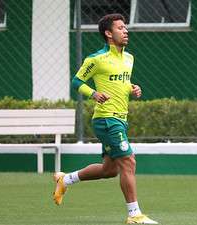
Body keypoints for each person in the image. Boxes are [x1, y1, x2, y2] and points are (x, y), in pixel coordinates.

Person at [52, 13, 158, 224]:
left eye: (125, 27)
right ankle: (134, 215)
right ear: (109, 34)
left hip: (121, 119)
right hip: (106, 119)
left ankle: (66, 179)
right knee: (128, 161)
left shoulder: (129, 58)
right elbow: (76, 81)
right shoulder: (96, 59)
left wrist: (132, 88)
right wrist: (93, 94)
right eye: (120, 28)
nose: (125, 31)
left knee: (110, 170)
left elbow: (120, 83)